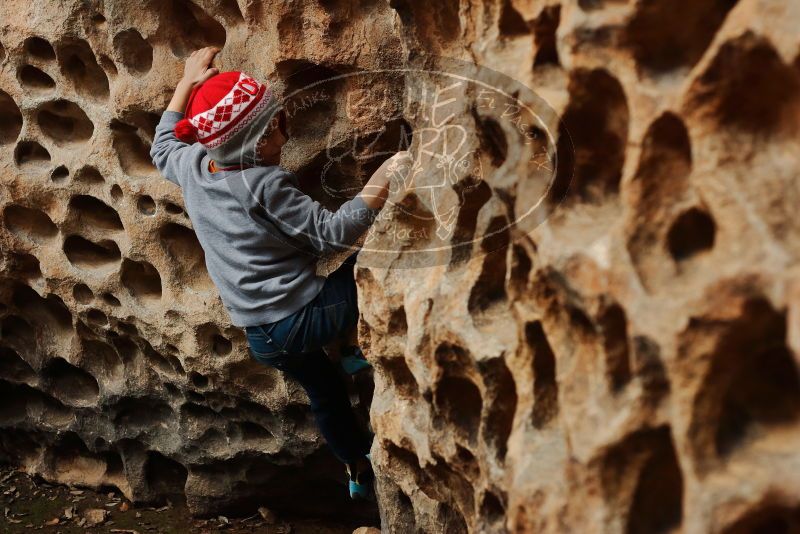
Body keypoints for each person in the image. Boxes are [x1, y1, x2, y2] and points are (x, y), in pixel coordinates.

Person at [149, 46, 410, 500]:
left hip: (261, 335)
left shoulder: (193, 166)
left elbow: (162, 143)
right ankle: (348, 338)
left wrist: (187, 83)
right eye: (276, 127)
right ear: (256, 142)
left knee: (326, 393)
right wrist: (387, 173)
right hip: (300, 319)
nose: (284, 134)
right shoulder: (264, 185)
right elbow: (333, 234)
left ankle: (356, 467)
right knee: (371, 259)